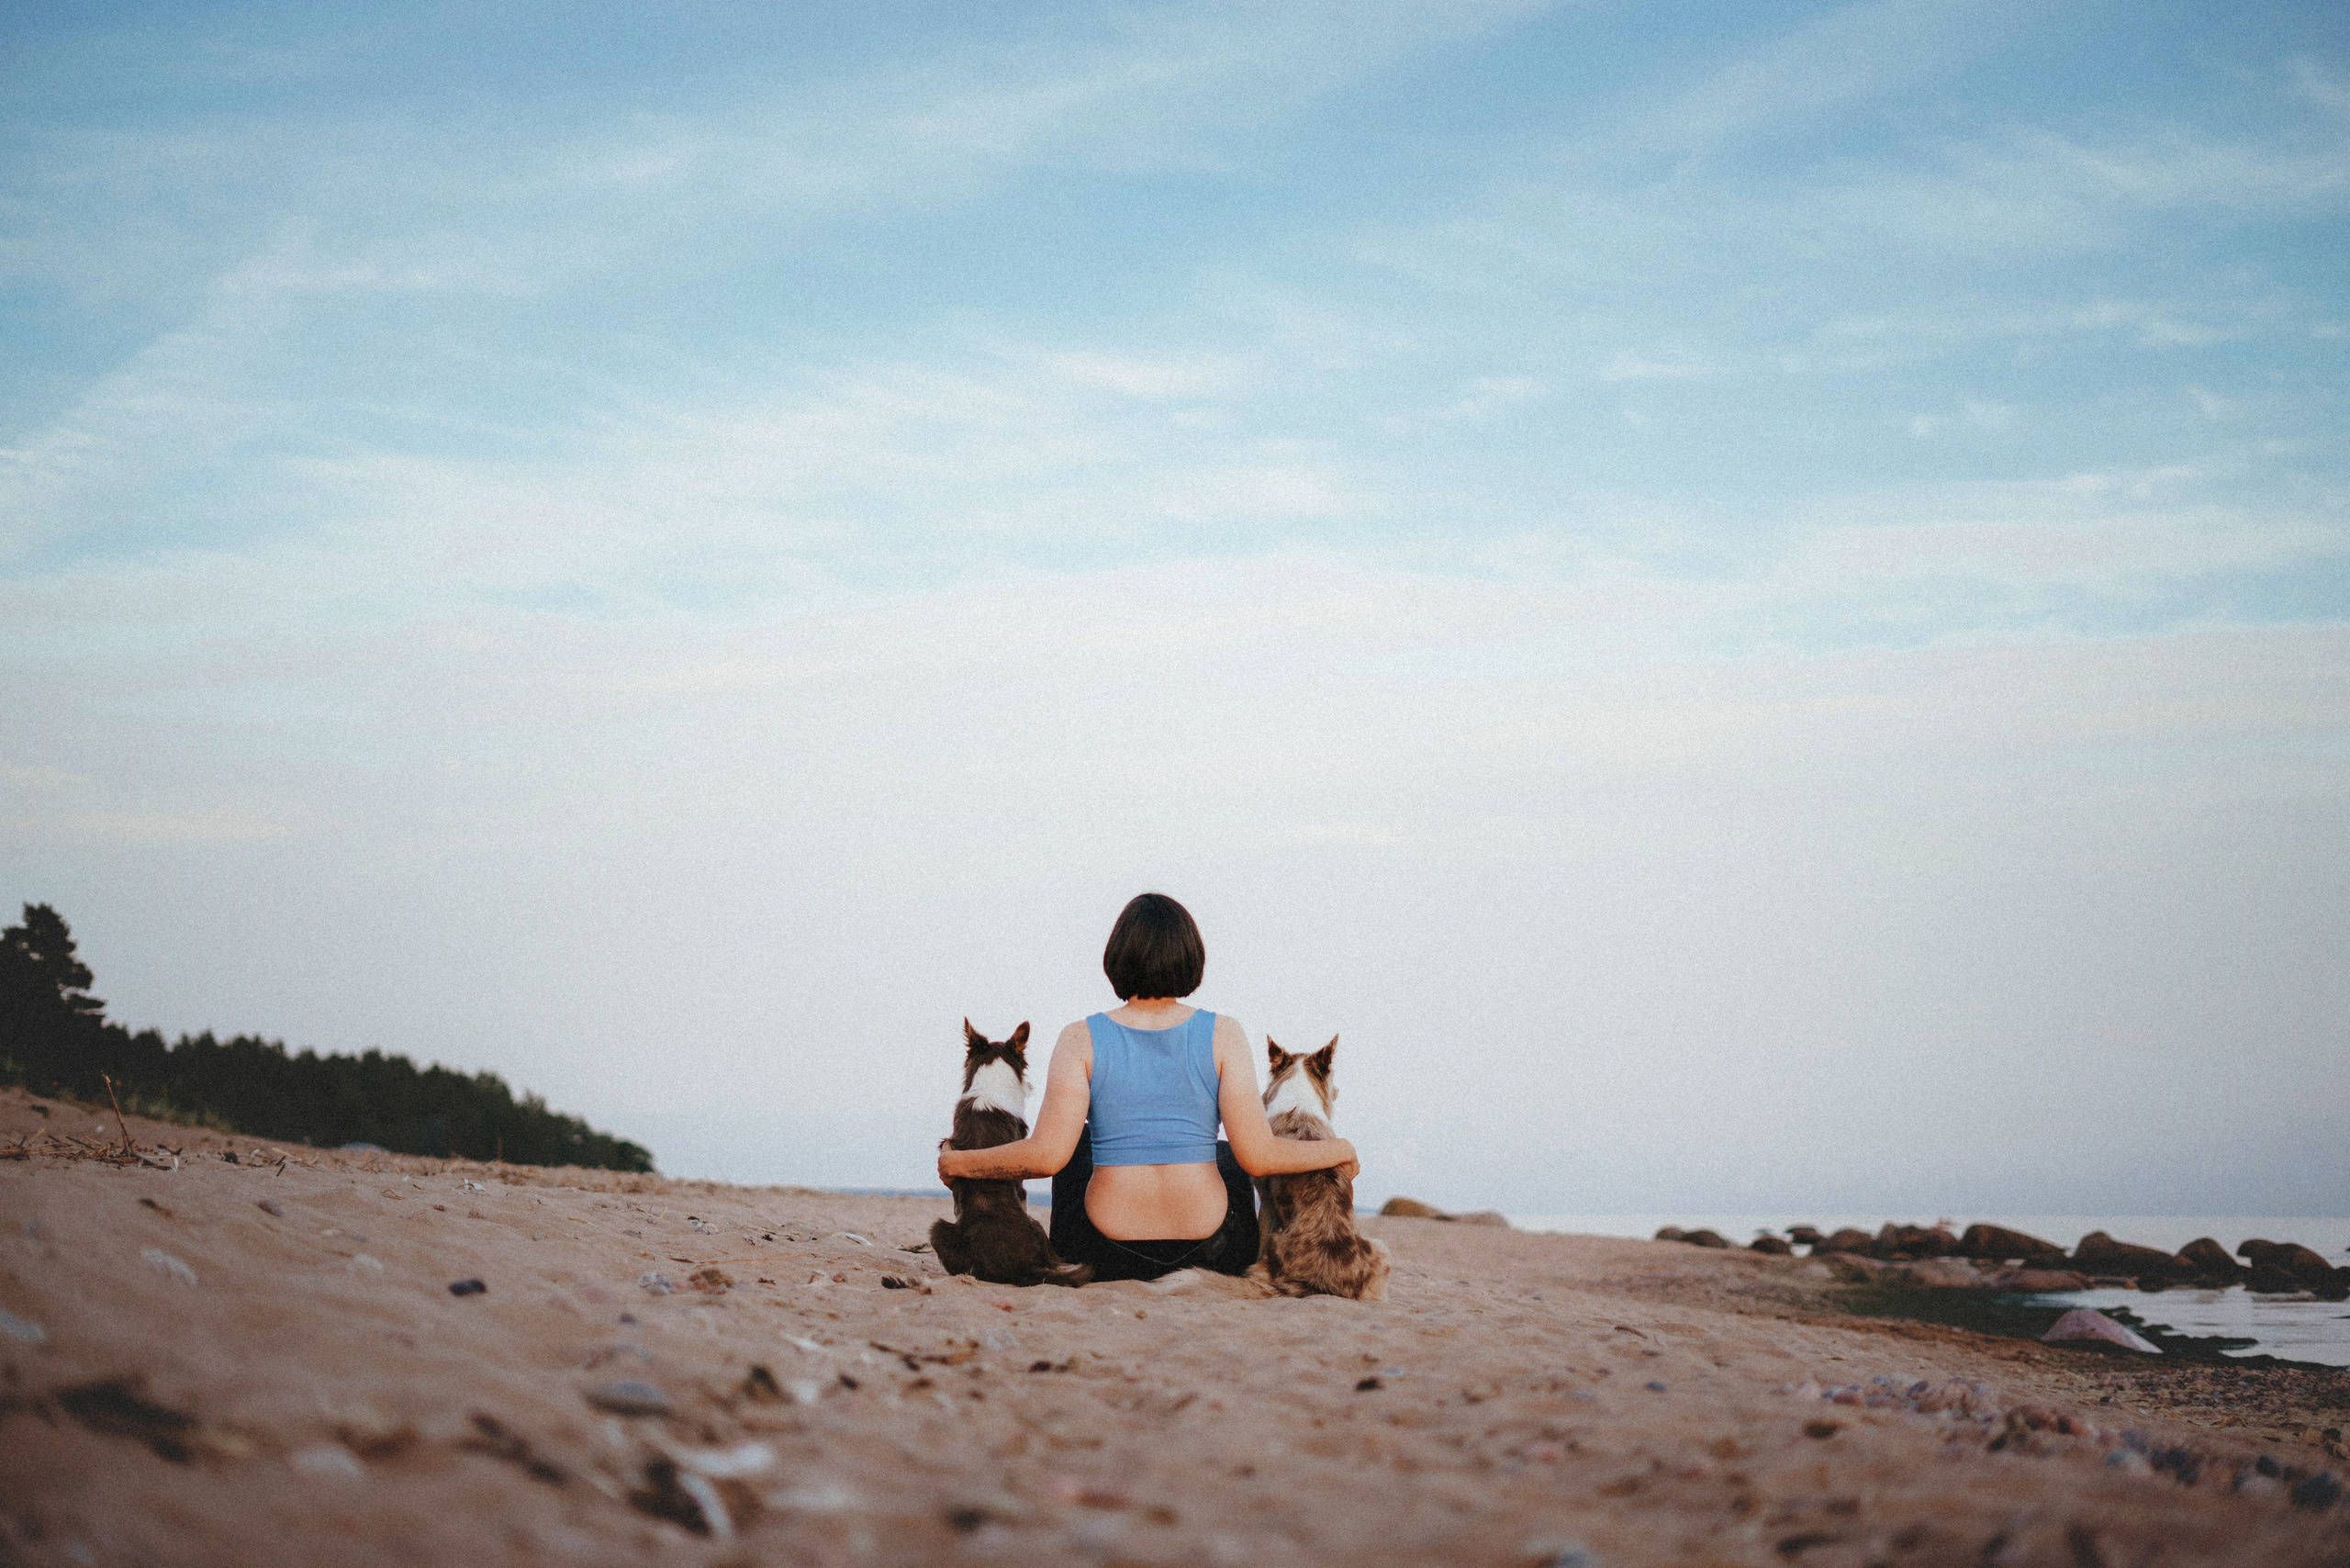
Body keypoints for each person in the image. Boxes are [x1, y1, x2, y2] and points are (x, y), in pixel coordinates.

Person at [935, 892, 1360, 1282]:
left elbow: (1046, 1157)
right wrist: (1341, 1149)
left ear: (1116, 958)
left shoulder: (1080, 1037)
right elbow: (1260, 1156)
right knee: (1229, 1154)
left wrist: (959, 1163)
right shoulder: (1224, 1034)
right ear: (1192, 958)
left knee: (1074, 1143)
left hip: (1104, 1253)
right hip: (1211, 1251)